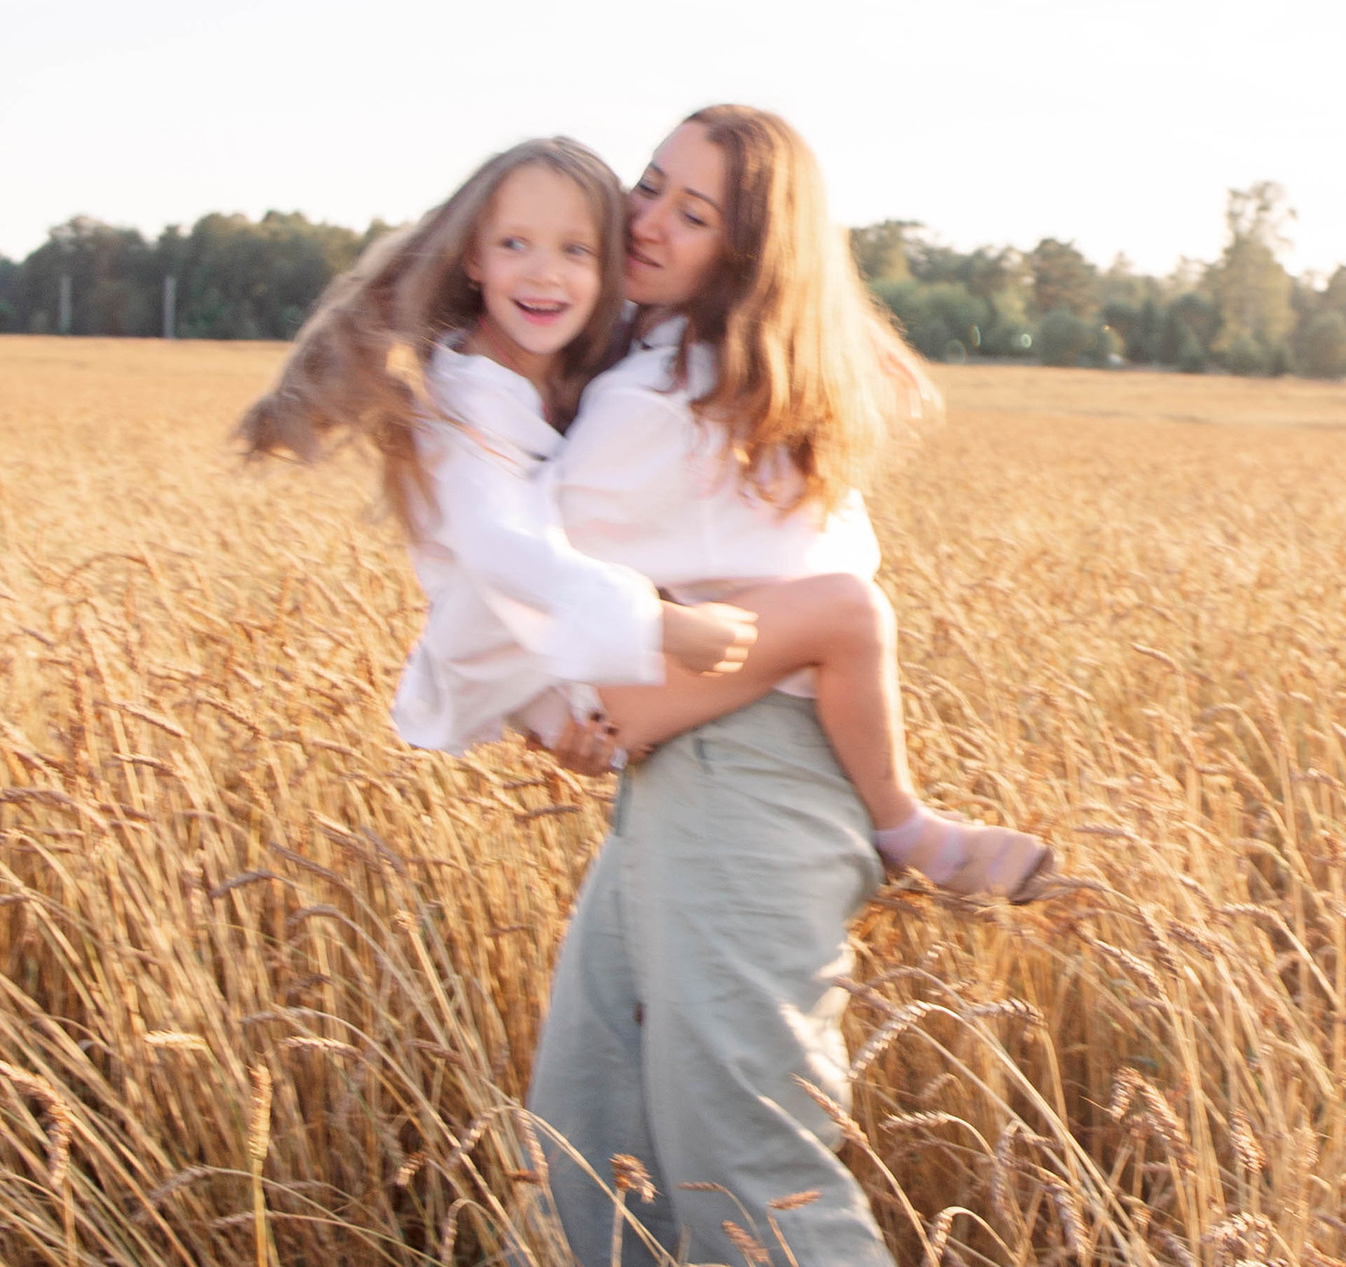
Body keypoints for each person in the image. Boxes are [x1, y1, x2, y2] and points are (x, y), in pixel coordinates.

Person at [439, 105, 1001, 1267]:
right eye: (650, 189)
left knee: (736, 1155)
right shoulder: (703, 373)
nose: (649, 221)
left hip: (750, 788)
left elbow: (521, 564)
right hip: (698, 778)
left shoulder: (675, 396)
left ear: (752, 252)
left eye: (693, 212)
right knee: (590, 1130)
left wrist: (467, 386)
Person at [239, 137, 1046, 900]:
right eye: (515, 244)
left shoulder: (568, 348)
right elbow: (500, 553)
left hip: (551, 667)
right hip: (545, 667)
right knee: (847, 612)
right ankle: (909, 833)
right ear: (475, 258)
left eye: (576, 250)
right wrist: (661, 625)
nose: (545, 273)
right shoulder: (473, 403)